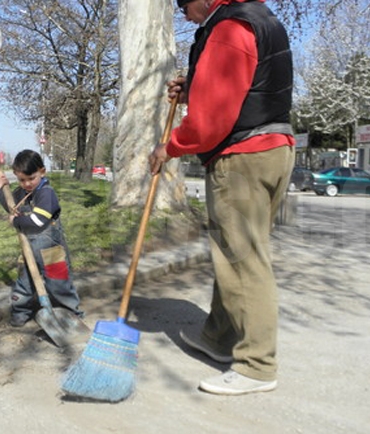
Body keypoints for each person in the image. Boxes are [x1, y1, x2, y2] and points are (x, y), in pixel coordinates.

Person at [149, 0, 295, 395]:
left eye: (182, 3)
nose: (181, 11)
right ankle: (219, 336)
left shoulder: (230, 27)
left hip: (243, 157)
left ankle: (256, 365)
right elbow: (247, 89)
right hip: (271, 147)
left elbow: (212, 122)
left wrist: (170, 147)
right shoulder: (258, 18)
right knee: (235, 254)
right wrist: (194, 87)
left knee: (245, 261)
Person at [0, 150, 83, 327]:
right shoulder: (23, 192)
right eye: (21, 180)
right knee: (23, 284)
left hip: (51, 251)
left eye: (31, 178)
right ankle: (20, 312)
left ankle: (72, 315)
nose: (27, 183)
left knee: (59, 284)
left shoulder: (46, 194)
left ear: (42, 172)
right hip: (29, 249)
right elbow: (12, 208)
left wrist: (17, 221)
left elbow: (37, 220)